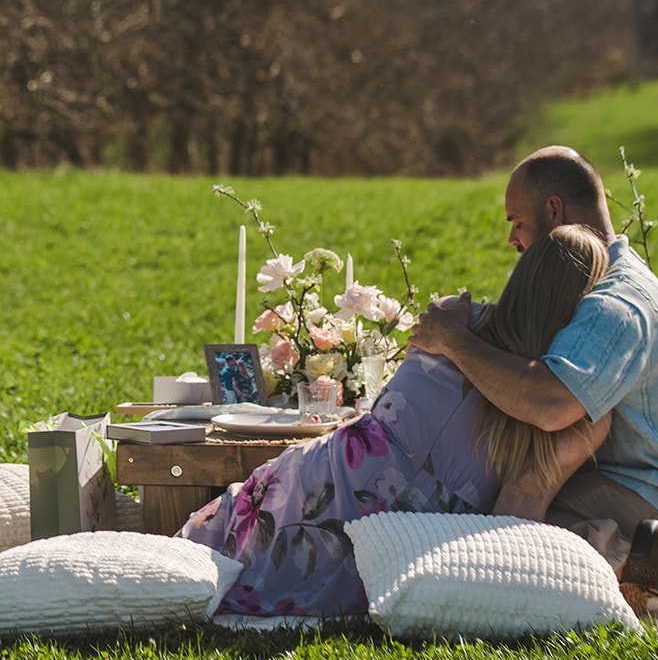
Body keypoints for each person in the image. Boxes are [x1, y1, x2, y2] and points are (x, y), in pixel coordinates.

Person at [177, 226, 611, 617]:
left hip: (328, 478)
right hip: (391, 527)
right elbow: (521, 505)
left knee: (203, 560)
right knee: (218, 571)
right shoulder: (566, 410)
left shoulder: (454, 319)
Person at [408, 145, 658, 625]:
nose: (513, 241)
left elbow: (551, 403)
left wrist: (455, 343)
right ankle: (640, 557)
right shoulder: (607, 279)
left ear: (554, 211)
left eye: (516, 222)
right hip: (646, 479)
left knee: (497, 525)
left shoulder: (615, 303)